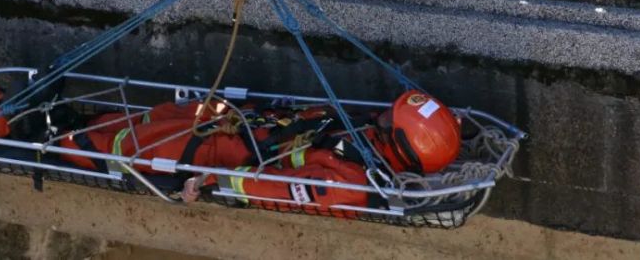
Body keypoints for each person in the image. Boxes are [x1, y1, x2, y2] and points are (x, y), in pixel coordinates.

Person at [58, 90, 461, 214]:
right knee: (159, 117)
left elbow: (272, 189)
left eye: (389, 120)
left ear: (402, 144)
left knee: (131, 148)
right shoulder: (368, 135)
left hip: (225, 153)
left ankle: (57, 140)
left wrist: (210, 182)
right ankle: (75, 122)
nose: (380, 114)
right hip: (241, 125)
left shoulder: (351, 184)